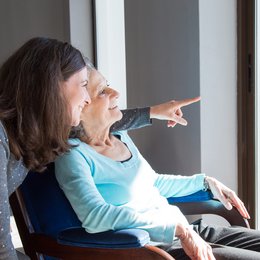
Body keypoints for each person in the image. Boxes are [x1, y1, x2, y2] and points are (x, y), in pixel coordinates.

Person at [0, 37, 195, 260]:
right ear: (53, 86)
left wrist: (152, 112)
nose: (86, 99)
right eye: (84, 85)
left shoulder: (33, 131)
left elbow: (95, 122)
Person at [55, 67, 260, 260]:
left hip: (184, 231)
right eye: (102, 91)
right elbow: (96, 217)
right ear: (79, 106)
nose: (115, 93)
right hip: (154, 249)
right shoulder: (73, 155)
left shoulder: (120, 137)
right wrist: (178, 228)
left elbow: (153, 183)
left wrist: (205, 182)